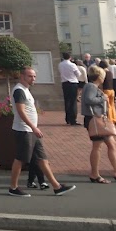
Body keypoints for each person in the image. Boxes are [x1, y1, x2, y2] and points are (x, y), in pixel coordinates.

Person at [7, 67, 75, 197]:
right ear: (22, 76)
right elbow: (21, 111)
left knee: (42, 158)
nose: (33, 79)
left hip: (31, 131)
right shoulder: (19, 90)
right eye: (30, 76)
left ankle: (56, 186)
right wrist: (33, 127)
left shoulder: (26, 90)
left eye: (34, 76)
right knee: (21, 159)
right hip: (24, 130)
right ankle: (13, 187)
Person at [82, 65, 116, 184]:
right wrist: (102, 98)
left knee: (112, 144)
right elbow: (89, 100)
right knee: (97, 146)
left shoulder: (92, 86)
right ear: (100, 76)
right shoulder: (91, 86)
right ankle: (94, 174)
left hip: (99, 118)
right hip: (95, 119)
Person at [58, 52, 79, 126]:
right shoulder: (72, 65)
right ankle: (73, 119)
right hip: (72, 82)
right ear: (70, 57)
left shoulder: (60, 64)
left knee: (67, 101)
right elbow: (78, 74)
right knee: (73, 101)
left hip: (64, 83)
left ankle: (67, 118)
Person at [98, 60, 116, 125]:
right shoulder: (110, 72)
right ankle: (114, 118)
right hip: (111, 90)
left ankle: (109, 119)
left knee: (107, 106)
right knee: (112, 105)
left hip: (105, 90)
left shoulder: (102, 73)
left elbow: (101, 82)